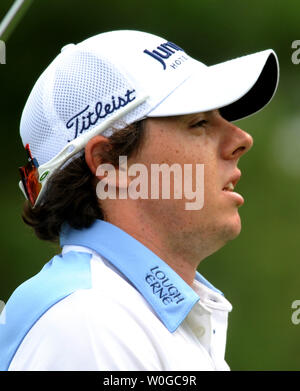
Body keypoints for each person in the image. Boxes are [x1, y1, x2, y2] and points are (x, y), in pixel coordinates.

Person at [0, 29, 279, 371]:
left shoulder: (128, 315)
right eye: (199, 122)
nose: (241, 138)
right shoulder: (87, 324)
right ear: (109, 163)